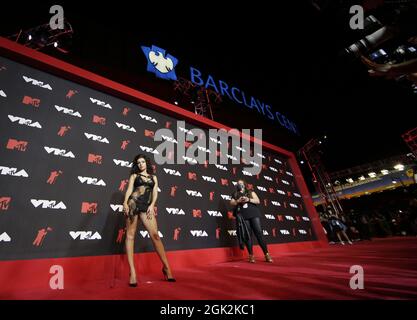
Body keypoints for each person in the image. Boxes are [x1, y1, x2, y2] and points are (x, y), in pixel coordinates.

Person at [123, 154, 175, 286]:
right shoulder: (134, 176)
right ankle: (132, 272)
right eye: (138, 162)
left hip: (146, 206)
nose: (141, 164)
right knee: (130, 236)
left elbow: (155, 193)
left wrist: (152, 205)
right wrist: (124, 203)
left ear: (147, 163)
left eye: (143, 162)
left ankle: (166, 268)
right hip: (133, 204)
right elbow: (129, 190)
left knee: (155, 236)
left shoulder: (154, 177)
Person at [230, 179, 273, 263]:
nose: (240, 184)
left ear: (245, 184)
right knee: (248, 235)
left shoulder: (250, 192)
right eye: (238, 183)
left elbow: (258, 200)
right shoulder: (235, 194)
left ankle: (267, 254)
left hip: (253, 214)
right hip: (243, 216)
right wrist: (238, 200)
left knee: (259, 233)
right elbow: (231, 203)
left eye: (241, 183)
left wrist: (248, 199)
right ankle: (251, 256)